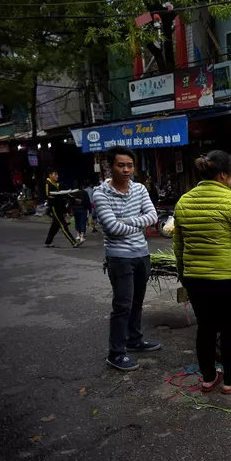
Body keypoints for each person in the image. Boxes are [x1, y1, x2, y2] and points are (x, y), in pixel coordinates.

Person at [173, 151, 231, 394]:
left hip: (195, 279)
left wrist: (184, 275)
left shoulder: (184, 201)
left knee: (206, 327)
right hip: (227, 280)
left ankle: (208, 378)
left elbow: (178, 246)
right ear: (223, 175)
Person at [93, 147, 160, 371]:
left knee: (137, 302)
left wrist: (125, 220)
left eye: (130, 165)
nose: (126, 169)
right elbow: (111, 228)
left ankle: (135, 340)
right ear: (110, 167)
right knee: (122, 305)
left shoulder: (140, 189)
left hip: (142, 254)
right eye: (121, 165)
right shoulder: (100, 193)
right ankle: (116, 353)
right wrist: (135, 221)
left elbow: (152, 216)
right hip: (119, 258)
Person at [44, 168, 79, 248]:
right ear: (50, 175)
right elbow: (47, 194)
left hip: (60, 206)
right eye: (55, 174)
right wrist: (57, 195)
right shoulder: (47, 183)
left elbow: (65, 193)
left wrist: (73, 198)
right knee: (63, 225)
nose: (57, 176)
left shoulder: (58, 184)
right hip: (54, 207)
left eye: (57, 174)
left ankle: (48, 242)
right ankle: (74, 242)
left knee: (55, 226)